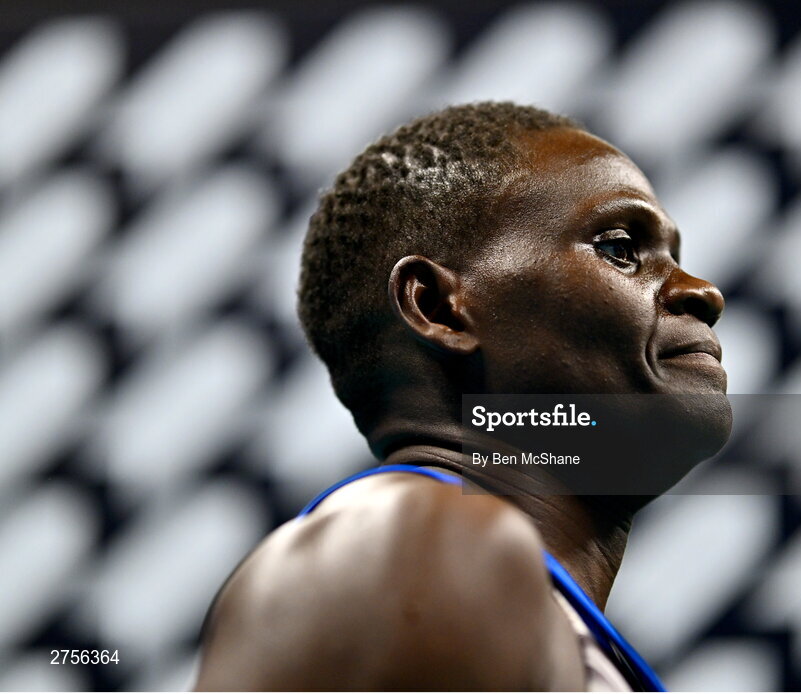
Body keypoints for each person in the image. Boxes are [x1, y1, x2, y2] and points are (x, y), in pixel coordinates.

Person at [193, 102, 729, 691]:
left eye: (676, 257)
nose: (702, 291)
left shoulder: (482, 581)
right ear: (439, 307)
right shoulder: (409, 544)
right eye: (621, 246)